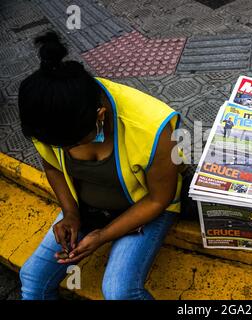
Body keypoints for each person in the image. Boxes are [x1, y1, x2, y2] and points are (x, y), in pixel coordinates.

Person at [17, 32, 183, 300]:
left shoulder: (153, 126)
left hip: (143, 207)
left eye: (73, 144)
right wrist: (70, 213)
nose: (67, 153)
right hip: (86, 208)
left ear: (100, 116)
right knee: (32, 279)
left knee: (119, 292)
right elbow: (53, 167)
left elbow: (158, 199)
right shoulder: (46, 120)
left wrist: (103, 235)